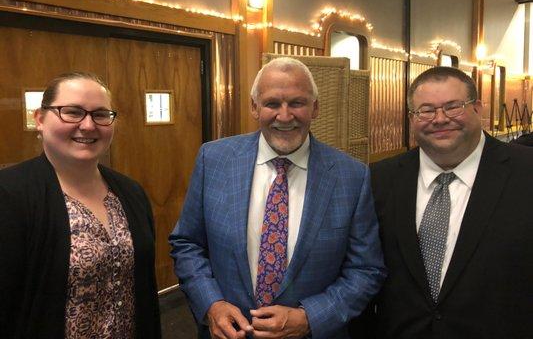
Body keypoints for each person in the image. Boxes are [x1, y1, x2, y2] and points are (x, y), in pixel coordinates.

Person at [169, 57, 386, 339]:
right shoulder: (214, 160)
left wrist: (310, 317)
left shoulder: (351, 177)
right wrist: (212, 303)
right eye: (272, 104)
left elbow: (366, 270)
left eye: (297, 103)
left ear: (315, 108)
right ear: (254, 107)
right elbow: (187, 243)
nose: (285, 116)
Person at [358, 66, 533, 338]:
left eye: (453, 107)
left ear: (478, 109)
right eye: (426, 110)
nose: (439, 119)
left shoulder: (525, 173)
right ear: (411, 118)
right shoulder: (379, 179)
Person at [0, 72, 161, 338]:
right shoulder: (9, 195)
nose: (88, 125)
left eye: (100, 114)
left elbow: (143, 291)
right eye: (72, 112)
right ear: (39, 119)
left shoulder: (131, 193)